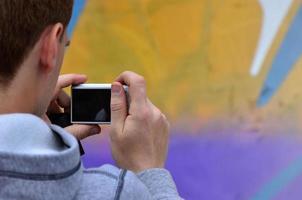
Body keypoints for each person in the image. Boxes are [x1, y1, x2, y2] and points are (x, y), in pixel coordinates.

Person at [0, 0, 182, 199]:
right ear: (50, 46)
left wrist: (39, 143)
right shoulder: (116, 192)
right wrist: (149, 172)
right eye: (65, 45)